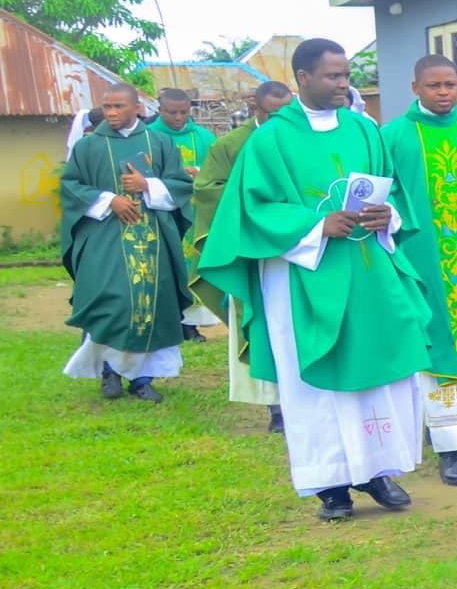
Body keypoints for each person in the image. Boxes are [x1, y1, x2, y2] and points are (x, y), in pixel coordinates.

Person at [198, 38, 434, 522]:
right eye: (333, 76)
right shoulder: (270, 140)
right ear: (302, 78)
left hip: (366, 271)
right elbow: (250, 209)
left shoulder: (364, 131)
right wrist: (314, 225)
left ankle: (376, 470)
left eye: (346, 75)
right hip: (301, 276)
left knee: (377, 367)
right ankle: (330, 484)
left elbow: (395, 195)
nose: (343, 84)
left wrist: (385, 216)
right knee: (313, 378)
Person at [383, 55, 457, 486]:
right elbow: (380, 191)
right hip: (425, 260)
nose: (444, 92)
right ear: (415, 88)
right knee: (439, 345)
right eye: (434, 85)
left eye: (451, 84)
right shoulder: (393, 136)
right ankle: (452, 448)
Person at [58, 83, 192, 403]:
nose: (112, 113)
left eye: (119, 106)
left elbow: (181, 186)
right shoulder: (88, 147)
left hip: (152, 238)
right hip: (105, 237)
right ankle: (110, 372)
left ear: (137, 109)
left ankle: (142, 379)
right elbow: (71, 186)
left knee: (152, 305)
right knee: (110, 302)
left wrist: (148, 185)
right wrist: (109, 200)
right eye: (107, 107)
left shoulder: (158, 143)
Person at [191, 81, 294, 431]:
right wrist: (252, 210)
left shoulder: (303, 141)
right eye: (273, 114)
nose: (283, 121)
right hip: (251, 253)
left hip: (299, 248)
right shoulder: (230, 146)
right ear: (256, 109)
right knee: (262, 325)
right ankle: (276, 406)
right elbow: (207, 190)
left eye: (288, 112)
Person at [148, 87, 220, 341]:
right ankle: (168, 319)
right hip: (163, 212)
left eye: (183, 112)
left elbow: (218, 168)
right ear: (159, 110)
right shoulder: (149, 136)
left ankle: (190, 323)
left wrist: (201, 172)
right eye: (172, 112)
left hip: (196, 210)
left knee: (193, 266)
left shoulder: (203, 136)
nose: (178, 118)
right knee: (167, 264)